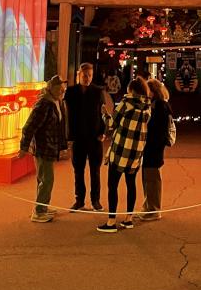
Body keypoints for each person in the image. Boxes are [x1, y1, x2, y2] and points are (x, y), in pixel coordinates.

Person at [97, 77, 151, 233]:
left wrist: (105, 115)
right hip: (136, 152)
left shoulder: (125, 104)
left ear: (131, 89)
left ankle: (111, 221)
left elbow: (111, 124)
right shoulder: (147, 107)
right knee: (131, 184)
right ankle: (128, 219)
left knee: (112, 185)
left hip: (121, 150)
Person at [18, 75, 68, 221]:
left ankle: (43, 206)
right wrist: (24, 147)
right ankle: (39, 211)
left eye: (63, 91)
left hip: (50, 146)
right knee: (47, 179)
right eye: (59, 90)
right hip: (43, 147)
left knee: (44, 178)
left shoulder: (56, 102)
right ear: (51, 88)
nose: (61, 93)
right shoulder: (44, 104)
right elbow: (29, 126)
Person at [65, 62, 106, 211]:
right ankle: (79, 199)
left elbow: (103, 114)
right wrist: (68, 137)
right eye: (84, 75)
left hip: (94, 136)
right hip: (78, 137)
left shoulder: (97, 92)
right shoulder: (71, 92)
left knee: (95, 171)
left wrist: (103, 132)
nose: (87, 78)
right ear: (78, 75)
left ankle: (95, 200)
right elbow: (67, 116)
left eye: (89, 75)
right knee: (78, 170)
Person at [139, 78, 173, 221]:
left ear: (153, 92)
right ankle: (148, 206)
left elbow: (158, 130)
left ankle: (153, 209)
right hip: (151, 147)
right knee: (148, 178)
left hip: (153, 147)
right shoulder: (157, 105)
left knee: (152, 179)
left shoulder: (160, 107)